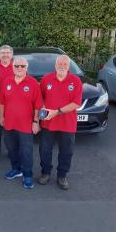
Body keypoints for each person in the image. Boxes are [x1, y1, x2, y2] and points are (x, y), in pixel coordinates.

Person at [38, 55, 83, 190]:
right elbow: (41, 99)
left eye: (65, 64)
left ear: (68, 66)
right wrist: (42, 115)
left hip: (67, 124)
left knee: (66, 151)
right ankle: (45, 173)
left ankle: (62, 176)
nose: (62, 66)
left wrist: (56, 112)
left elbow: (76, 103)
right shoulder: (46, 79)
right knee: (45, 150)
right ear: (55, 65)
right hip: (48, 123)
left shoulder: (75, 81)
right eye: (60, 64)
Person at [0, 57, 42, 189]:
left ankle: (27, 175)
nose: (19, 68)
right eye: (17, 66)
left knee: (26, 151)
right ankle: (16, 169)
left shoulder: (33, 83)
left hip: (25, 125)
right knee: (12, 149)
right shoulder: (7, 81)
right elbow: (2, 101)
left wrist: (36, 121)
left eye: (22, 66)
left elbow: (38, 105)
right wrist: (2, 117)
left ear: (27, 68)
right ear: (13, 67)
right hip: (9, 123)